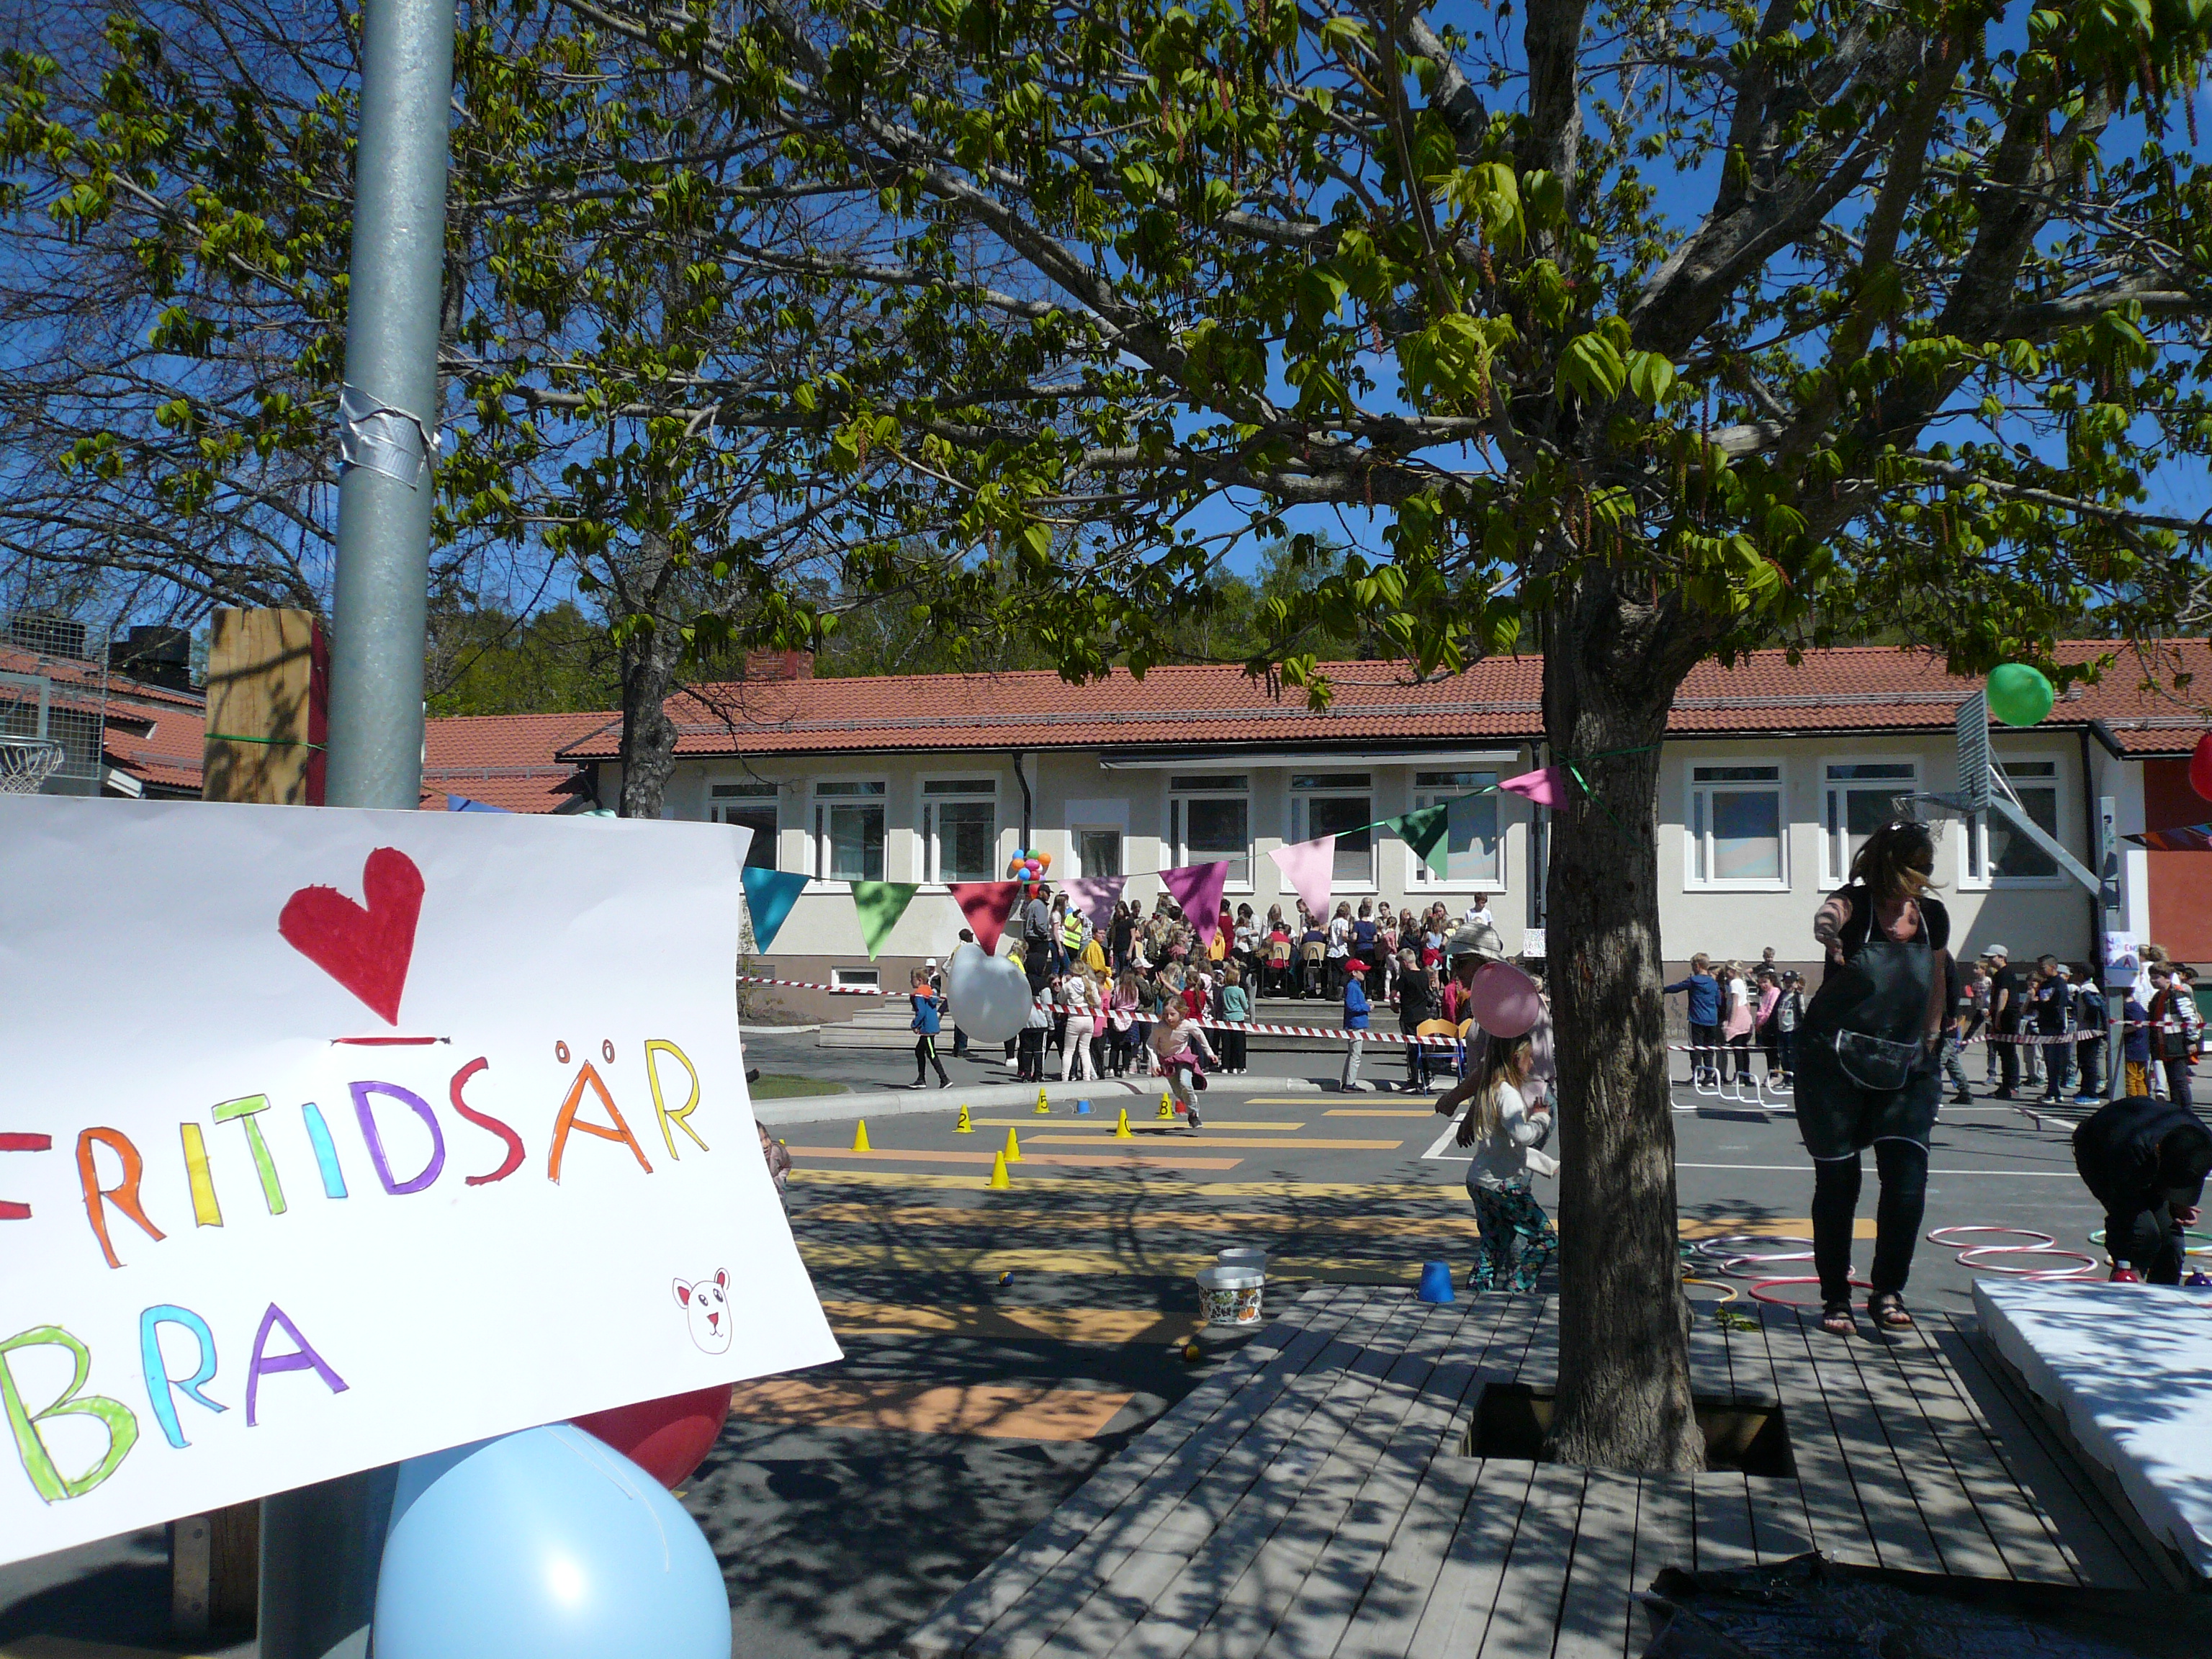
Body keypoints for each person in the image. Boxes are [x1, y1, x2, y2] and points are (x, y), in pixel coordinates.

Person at [1799, 820, 1950, 1335]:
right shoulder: (1854, 906)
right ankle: (1836, 1296)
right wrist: (1826, 934)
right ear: (1893, 865)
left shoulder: (1931, 917)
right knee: (1839, 1184)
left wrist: (1932, 1039)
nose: (1926, 878)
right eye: (1919, 868)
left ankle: (1887, 1289)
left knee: (1907, 1180)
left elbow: (1936, 981)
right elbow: (1828, 914)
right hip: (1834, 1062)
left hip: (1906, 1063)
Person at [1434, 1031, 1557, 1292]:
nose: (1533, 1065)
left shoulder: (1490, 1089)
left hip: (1480, 1181)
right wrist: (1541, 1119)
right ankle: (1517, 1287)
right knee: (1545, 1238)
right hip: (1503, 1185)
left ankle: (1477, 1293)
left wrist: (1546, 1164)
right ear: (1515, 1059)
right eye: (1529, 1059)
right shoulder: (1509, 1095)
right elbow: (1521, 1136)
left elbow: (1505, 1147)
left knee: (1493, 1245)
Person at [2072, 1095, 2212, 1282]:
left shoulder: (2202, 1143)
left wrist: (2182, 1202)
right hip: (2101, 1151)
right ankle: (2126, 1284)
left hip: (2154, 1146)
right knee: (2141, 1235)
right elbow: (2123, 1216)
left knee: (2172, 1243)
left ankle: (2165, 1297)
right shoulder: (2129, 1146)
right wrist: (2131, 1269)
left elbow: (2189, 1173)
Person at [1150, 1002, 1215, 1128]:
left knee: (1185, 1083)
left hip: (1183, 1057)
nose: (1169, 1018)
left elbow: (1199, 1035)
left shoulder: (1186, 1025)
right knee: (1178, 1092)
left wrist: (1210, 1053)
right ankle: (1191, 1101)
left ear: (1181, 1014)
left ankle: (1193, 1115)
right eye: (1166, 1014)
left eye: (1172, 1014)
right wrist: (1155, 1063)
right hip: (1167, 1060)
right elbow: (1150, 1045)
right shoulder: (1159, 1027)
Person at [2149, 963, 2201, 1109]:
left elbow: (2191, 1018)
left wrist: (2192, 1040)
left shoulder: (2177, 993)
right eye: (2151, 978)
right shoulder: (2158, 996)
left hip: (2177, 1043)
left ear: (2167, 978)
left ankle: (2186, 1112)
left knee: (2179, 1081)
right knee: (2172, 1081)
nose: (2153, 981)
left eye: (2156, 977)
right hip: (2164, 1045)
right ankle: (2176, 1110)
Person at [1665, 954, 1722, 1086]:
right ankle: (1709, 1077)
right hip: (1712, 1020)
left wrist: (1663, 990)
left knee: (1696, 1048)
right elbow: (1718, 1001)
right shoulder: (1713, 983)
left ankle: (1696, 1075)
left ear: (1697, 966)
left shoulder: (1693, 981)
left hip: (1697, 1019)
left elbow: (1676, 988)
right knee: (1709, 1048)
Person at [2032, 955, 2074, 1103]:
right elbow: (2037, 1002)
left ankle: (2055, 1090)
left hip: (2056, 1026)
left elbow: (2058, 1004)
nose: (2040, 971)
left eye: (2043, 967)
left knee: (2056, 1059)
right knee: (2048, 1059)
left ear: (2053, 967)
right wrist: (2039, 1003)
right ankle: (2052, 1090)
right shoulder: (2044, 985)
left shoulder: (2059, 983)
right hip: (2044, 1025)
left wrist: (2043, 1004)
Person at [1397, 945, 1437, 1093]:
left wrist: (1395, 1004)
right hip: (1423, 1016)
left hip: (1408, 1016)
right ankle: (1427, 1077)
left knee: (1412, 1049)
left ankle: (1413, 1079)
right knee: (1423, 1047)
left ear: (1405, 963)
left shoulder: (1405, 977)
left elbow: (1395, 994)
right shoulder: (1424, 976)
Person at [1987, 945, 2024, 1099]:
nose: (1990, 960)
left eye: (1993, 957)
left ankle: (2012, 1085)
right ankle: (2006, 1084)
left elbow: (2004, 994)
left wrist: (1998, 1017)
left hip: (2008, 1016)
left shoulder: (2006, 973)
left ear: (2002, 957)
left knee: (2009, 1052)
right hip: (2001, 1015)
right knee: (2002, 1052)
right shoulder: (1998, 974)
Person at [909, 968, 951, 1089]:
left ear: (919, 980)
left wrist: (915, 1024)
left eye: (912, 979)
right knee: (919, 1051)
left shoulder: (920, 993)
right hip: (932, 1026)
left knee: (932, 1053)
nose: (910, 981)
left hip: (927, 1029)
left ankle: (944, 1079)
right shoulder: (930, 991)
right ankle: (921, 1079)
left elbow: (921, 1012)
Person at [2069, 964, 2106, 1104]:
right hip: (2086, 1030)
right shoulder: (2086, 989)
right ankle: (2085, 1089)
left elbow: (2094, 1006)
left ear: (2081, 975)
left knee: (2088, 1062)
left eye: (2075, 973)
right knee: (2084, 1061)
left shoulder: (2087, 990)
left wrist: (2089, 1021)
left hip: (2089, 1031)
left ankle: (2090, 1093)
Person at [1340, 959, 1372, 1092]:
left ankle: (1347, 1081)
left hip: (1356, 1024)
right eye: (1361, 971)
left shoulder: (1354, 986)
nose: (1364, 973)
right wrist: (1367, 1007)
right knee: (1355, 1055)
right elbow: (1352, 1006)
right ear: (1354, 972)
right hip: (1356, 1025)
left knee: (1352, 1054)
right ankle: (1349, 1083)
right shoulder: (1353, 987)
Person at [1218, 965, 1251, 1074]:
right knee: (1239, 1044)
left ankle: (1225, 1066)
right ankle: (1239, 1066)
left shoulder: (1223, 990)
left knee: (1226, 1044)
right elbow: (1245, 1007)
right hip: (1238, 1018)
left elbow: (1219, 1005)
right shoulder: (1239, 990)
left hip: (1226, 1018)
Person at [1774, 971, 1804, 1085]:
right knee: (1783, 1054)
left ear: (1796, 983)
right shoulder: (1782, 995)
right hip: (1782, 1028)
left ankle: (1793, 1077)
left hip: (1792, 1029)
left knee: (1792, 1054)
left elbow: (1801, 1012)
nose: (1788, 985)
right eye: (1786, 982)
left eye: (1791, 982)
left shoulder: (1797, 996)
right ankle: (1786, 1077)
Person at [758, 1121, 793, 1207]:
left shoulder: (776, 1152)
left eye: (766, 1138)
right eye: (760, 1141)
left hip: (777, 1197)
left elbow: (787, 1164)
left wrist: (780, 1179)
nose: (766, 1144)